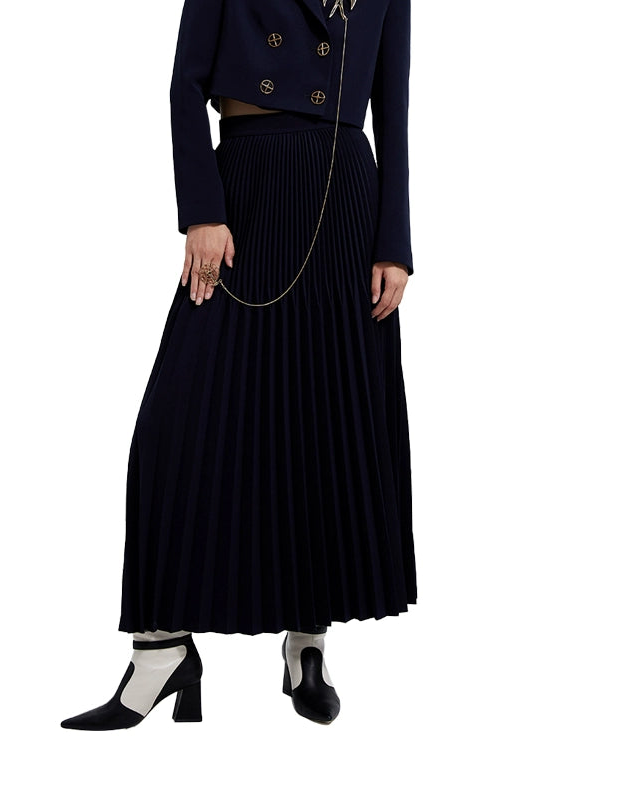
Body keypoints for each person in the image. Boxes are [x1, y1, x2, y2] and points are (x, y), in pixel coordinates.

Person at [61, 0, 416, 730]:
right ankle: (161, 652)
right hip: (244, 192)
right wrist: (202, 208)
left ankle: (308, 642)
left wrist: (395, 242)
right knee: (175, 426)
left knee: (320, 424)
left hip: (343, 198)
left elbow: (393, 103)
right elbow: (185, 83)